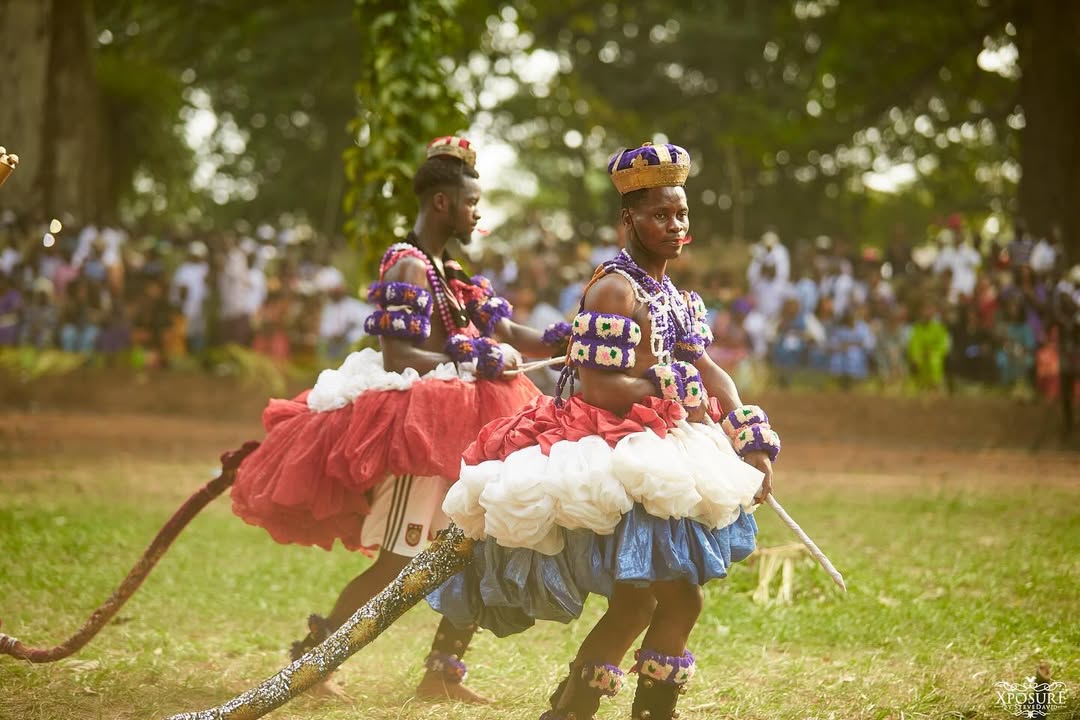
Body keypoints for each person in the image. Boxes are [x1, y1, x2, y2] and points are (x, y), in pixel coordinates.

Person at [428, 141, 776, 720]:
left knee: (641, 603)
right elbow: (600, 389)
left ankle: (566, 713)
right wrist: (671, 386)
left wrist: (747, 431)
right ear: (628, 219)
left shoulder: (676, 297)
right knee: (672, 599)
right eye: (659, 214)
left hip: (662, 447)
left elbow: (707, 367)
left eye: (681, 214)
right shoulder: (615, 289)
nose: (674, 225)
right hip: (613, 451)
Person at [229, 136, 571, 702]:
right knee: (400, 558)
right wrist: (473, 358)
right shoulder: (408, 264)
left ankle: (441, 674)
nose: (478, 213)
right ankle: (311, 666)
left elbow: (508, 333)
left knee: (475, 544)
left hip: (464, 421)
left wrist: (573, 340)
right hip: (424, 425)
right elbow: (399, 357)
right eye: (471, 202)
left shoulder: (449, 268)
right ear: (442, 203)